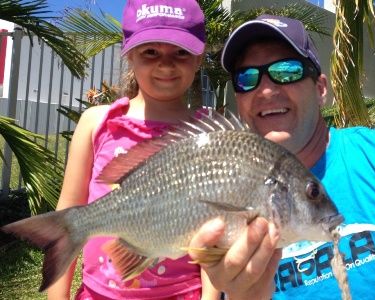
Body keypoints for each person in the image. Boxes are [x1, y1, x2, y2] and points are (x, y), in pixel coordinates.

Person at [46, 0, 280, 299]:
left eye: (181, 52)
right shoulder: (97, 122)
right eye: (150, 52)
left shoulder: (211, 136)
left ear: (198, 59)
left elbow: (216, 235)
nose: (166, 64)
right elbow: (67, 217)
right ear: (130, 54)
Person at [190, 14, 375, 299]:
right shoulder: (221, 198)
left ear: (321, 88)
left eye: (287, 71)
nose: (265, 90)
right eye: (247, 78)